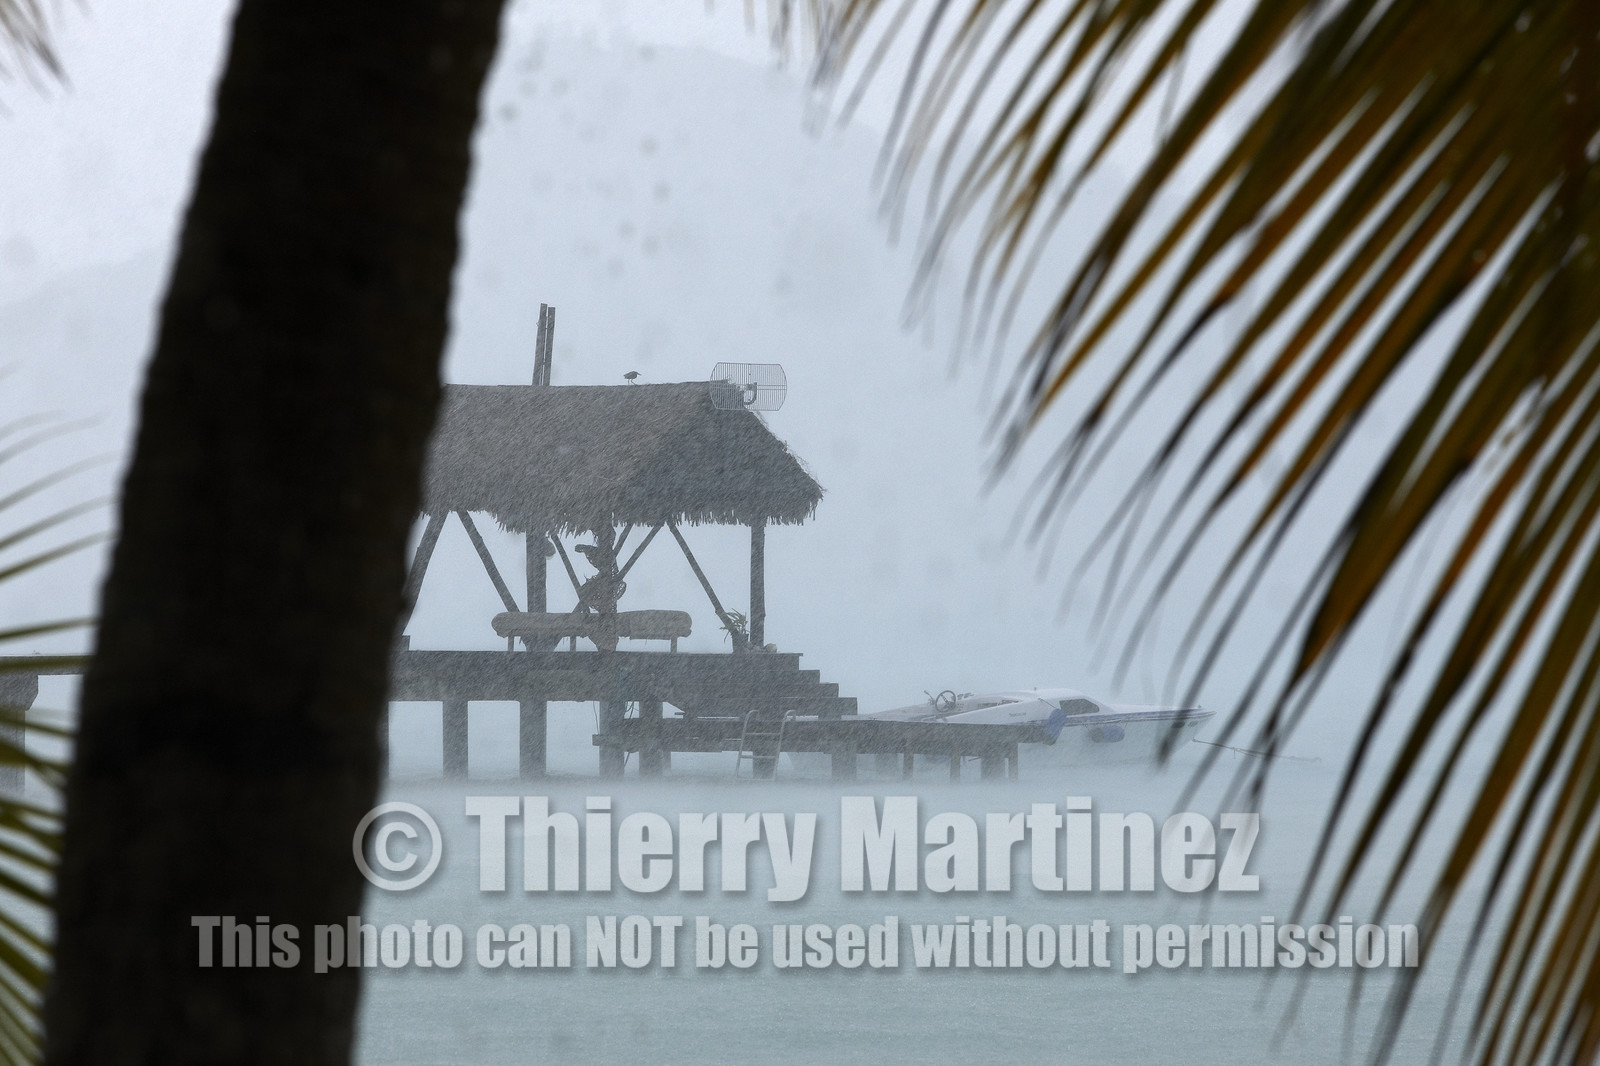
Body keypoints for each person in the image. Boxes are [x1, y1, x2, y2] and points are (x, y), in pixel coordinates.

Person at [574, 525, 626, 651]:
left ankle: (605, 643)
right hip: (607, 603)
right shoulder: (607, 560)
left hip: (607, 600)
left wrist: (587, 549)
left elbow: (604, 562)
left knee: (604, 610)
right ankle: (606, 644)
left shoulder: (607, 560)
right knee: (606, 613)